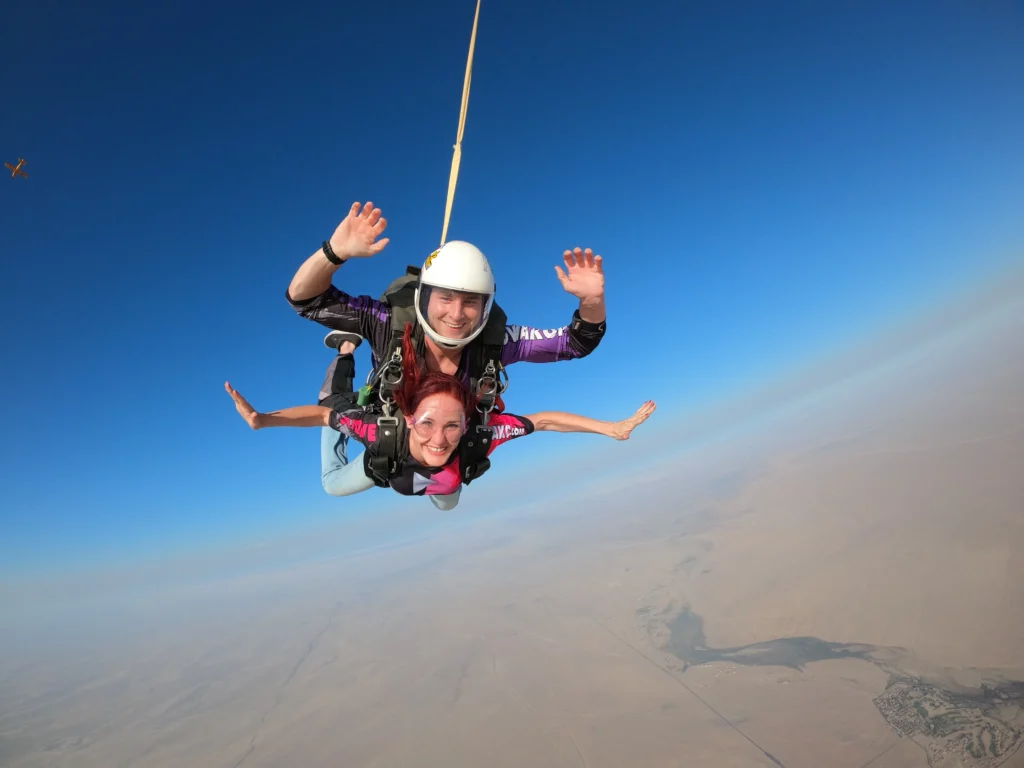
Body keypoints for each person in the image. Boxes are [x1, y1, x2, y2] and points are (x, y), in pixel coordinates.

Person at [285, 201, 609, 498]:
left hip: (447, 446)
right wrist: (333, 253)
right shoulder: (388, 324)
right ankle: (345, 349)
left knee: (447, 497)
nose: (456, 314)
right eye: (446, 298)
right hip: (392, 434)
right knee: (334, 481)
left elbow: (575, 343)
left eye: (470, 302)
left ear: (485, 307)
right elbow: (305, 300)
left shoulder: (494, 343)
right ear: (424, 297)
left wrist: (592, 302)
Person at [225, 324, 655, 510]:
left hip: (433, 480)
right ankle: (346, 350)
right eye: (428, 423)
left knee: (447, 499)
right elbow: (321, 416)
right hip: (386, 462)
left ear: (466, 424)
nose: (439, 439)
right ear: (409, 418)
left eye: (452, 426)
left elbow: (542, 421)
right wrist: (263, 420)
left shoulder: (480, 435)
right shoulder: (379, 431)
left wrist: (612, 429)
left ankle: (355, 391)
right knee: (332, 458)